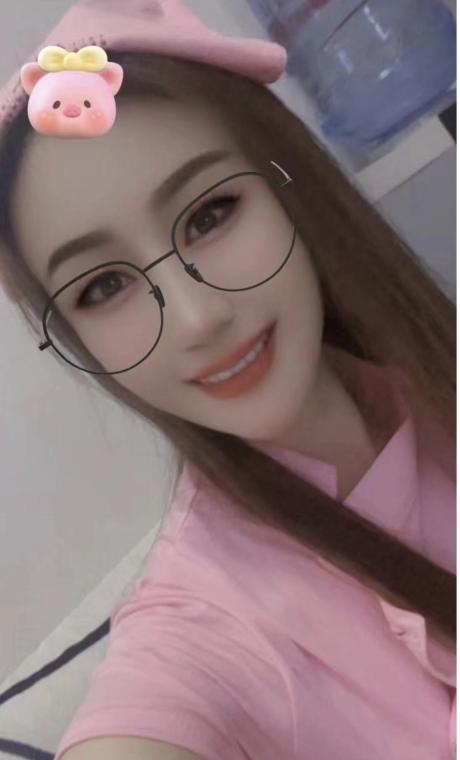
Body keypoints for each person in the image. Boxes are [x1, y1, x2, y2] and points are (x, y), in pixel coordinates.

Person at [0, 1, 455, 759]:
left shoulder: (431, 372)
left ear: (288, 182)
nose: (197, 317)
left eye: (210, 215)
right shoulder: (202, 623)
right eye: (103, 287)